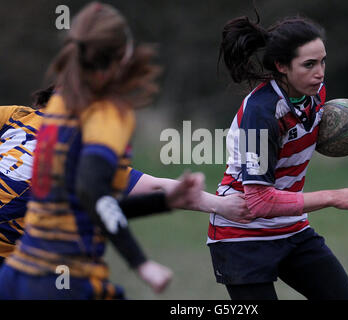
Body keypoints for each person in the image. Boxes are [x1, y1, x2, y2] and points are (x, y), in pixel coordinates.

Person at [0, 2, 250, 300]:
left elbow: (87, 205)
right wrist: (141, 263)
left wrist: (165, 200)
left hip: (15, 275)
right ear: (122, 57)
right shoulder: (104, 117)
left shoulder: (52, 116)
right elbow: (94, 196)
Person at [207, 13, 348, 300]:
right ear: (281, 66)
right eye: (309, 64)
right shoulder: (260, 114)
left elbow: (307, 128)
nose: (320, 72)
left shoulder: (315, 91)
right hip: (242, 236)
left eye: (323, 61)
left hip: (291, 229)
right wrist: (333, 197)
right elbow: (259, 201)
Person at [0, 87, 251, 267]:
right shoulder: (19, 117)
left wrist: (222, 205)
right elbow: (156, 188)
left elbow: (155, 188)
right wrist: (221, 205)